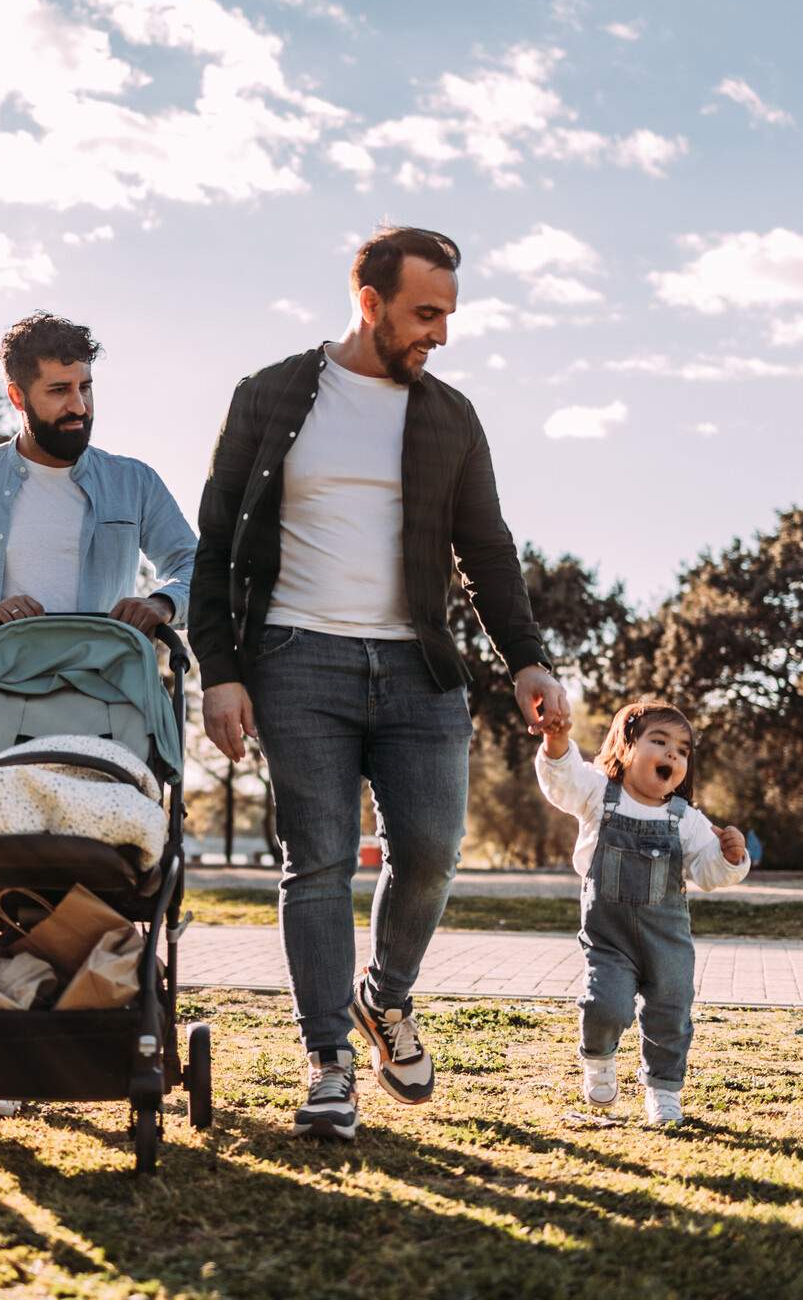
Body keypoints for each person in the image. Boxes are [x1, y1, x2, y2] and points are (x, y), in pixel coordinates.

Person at [190, 225, 571, 1141]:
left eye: (447, 314)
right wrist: (222, 673)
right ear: (370, 303)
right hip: (296, 661)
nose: (438, 333)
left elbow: (486, 548)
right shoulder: (272, 395)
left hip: (417, 666)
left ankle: (384, 996)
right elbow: (216, 547)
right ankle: (328, 1063)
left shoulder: (449, 415)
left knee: (435, 848)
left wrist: (526, 657)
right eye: (423, 313)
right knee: (316, 860)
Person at [0, 311, 197, 1117]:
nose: (78, 406)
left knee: (97, 860)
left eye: (86, 388)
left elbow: (190, 556)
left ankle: (101, 1022)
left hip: (108, 708)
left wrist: (164, 601)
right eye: (59, 391)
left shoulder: (131, 480)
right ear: (18, 395)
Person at [534, 699, 751, 1126]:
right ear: (627, 747)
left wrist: (731, 857)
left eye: (683, 750)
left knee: (671, 1015)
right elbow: (564, 783)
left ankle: (664, 1091)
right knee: (604, 1005)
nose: (673, 754)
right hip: (609, 939)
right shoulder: (600, 795)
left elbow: (707, 872)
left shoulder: (685, 819)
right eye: (660, 741)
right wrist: (557, 742)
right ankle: (598, 1060)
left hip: (667, 944)